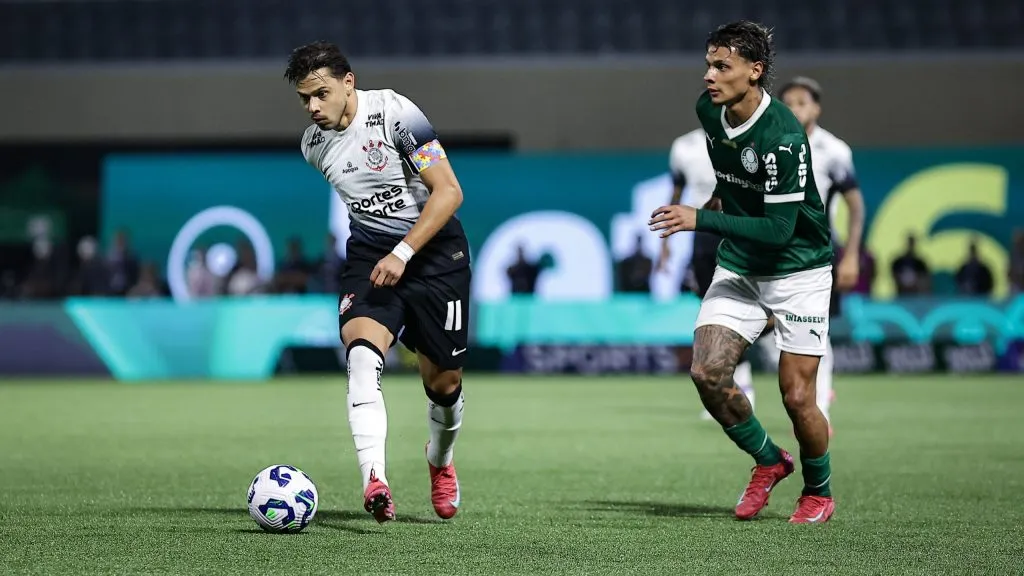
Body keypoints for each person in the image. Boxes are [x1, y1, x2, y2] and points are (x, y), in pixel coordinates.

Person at [650, 21, 835, 523]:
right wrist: (716, 202)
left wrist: (699, 217)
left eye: (722, 66)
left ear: (755, 72)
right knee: (707, 372)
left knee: (797, 397)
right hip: (740, 266)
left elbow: (779, 229)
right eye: (708, 64)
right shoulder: (708, 111)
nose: (709, 76)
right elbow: (732, 179)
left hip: (798, 270)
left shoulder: (783, 136)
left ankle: (818, 491)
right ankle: (769, 461)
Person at [286, 41, 470, 523]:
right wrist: (387, 252)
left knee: (444, 385)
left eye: (321, 94)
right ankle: (375, 479)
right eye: (305, 98)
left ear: (349, 82)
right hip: (372, 259)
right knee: (363, 358)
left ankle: (440, 461)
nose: (313, 107)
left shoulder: (395, 113)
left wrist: (404, 251)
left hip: (434, 257)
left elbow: (450, 192)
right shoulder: (313, 145)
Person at [779, 75, 867, 434]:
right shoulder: (771, 142)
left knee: (816, 331)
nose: (795, 109)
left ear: (816, 107)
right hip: (773, 249)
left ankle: (818, 405)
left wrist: (851, 255)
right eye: (788, 103)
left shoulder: (834, 151)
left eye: (802, 102)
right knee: (773, 334)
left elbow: (855, 206)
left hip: (815, 252)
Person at [660, 128, 757, 419]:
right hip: (703, 235)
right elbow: (676, 195)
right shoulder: (683, 147)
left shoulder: (753, 138)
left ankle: (748, 375)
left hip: (742, 230)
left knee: (747, 309)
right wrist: (665, 245)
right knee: (712, 310)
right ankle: (735, 384)